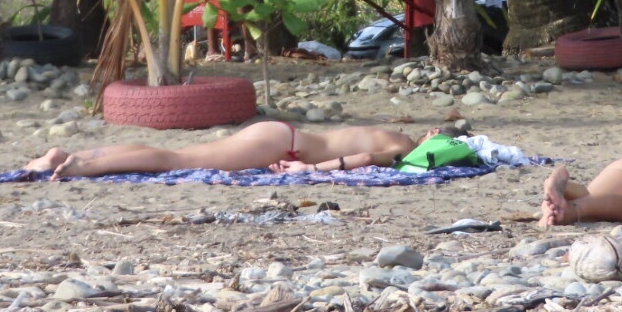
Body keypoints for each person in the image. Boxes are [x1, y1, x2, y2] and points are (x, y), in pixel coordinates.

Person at [24, 121, 425, 179]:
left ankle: (70, 155)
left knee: (174, 153)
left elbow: (363, 151)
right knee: (174, 160)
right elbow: (366, 160)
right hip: (288, 147)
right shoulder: (404, 147)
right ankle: (82, 165)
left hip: (285, 136)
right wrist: (310, 171)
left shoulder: (392, 132)